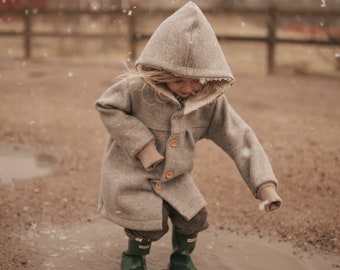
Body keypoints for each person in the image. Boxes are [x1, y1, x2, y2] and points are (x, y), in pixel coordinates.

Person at [95, 1, 282, 270]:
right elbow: (106, 106)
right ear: (160, 71)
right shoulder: (136, 90)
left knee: (193, 216)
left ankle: (181, 258)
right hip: (133, 175)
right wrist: (143, 145)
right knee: (146, 222)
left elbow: (240, 137)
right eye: (178, 79)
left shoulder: (208, 102)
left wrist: (264, 184)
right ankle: (134, 259)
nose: (188, 88)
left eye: (197, 80)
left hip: (175, 179)